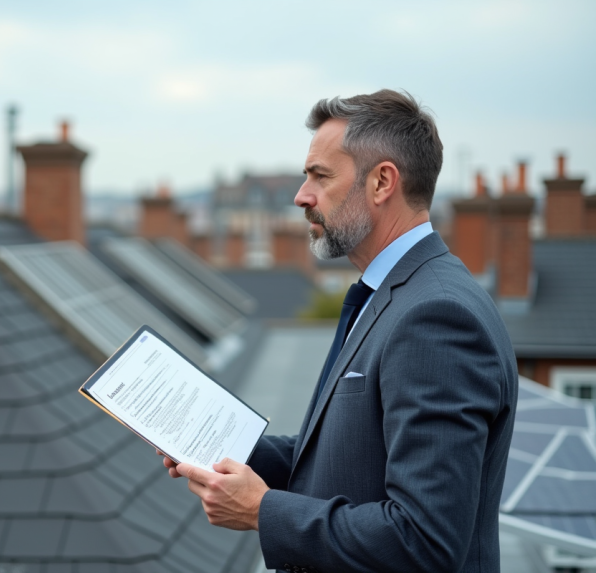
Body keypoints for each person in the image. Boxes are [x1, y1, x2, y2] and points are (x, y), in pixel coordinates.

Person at [159, 90, 518, 572]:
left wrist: (263, 511)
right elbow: (344, 462)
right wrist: (213, 441)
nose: (301, 196)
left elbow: (425, 541)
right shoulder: (396, 293)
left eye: (320, 176)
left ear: (382, 183)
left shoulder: (436, 317)